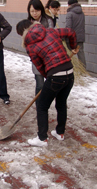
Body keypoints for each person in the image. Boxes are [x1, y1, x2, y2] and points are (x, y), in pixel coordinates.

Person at [16, 19, 77, 147]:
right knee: (61, 103)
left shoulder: (30, 46)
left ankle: (42, 138)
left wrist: (49, 76)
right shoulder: (50, 31)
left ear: (22, 34)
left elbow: (39, 67)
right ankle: (60, 133)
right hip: (69, 73)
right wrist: (73, 46)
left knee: (42, 106)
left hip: (55, 76)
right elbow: (70, 32)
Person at [27, 0, 54, 106]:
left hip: (49, 58)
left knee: (52, 83)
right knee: (40, 84)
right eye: (32, 11)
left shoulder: (48, 21)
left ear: (41, 10)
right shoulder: (28, 23)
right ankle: (40, 106)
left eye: (36, 11)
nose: (34, 13)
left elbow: (52, 37)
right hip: (36, 59)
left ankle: (50, 102)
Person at [66, 0, 86, 67]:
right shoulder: (82, 13)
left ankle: (72, 69)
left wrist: (66, 37)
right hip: (80, 37)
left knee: (70, 53)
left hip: (72, 38)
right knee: (81, 53)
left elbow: (68, 27)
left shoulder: (69, 14)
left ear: (69, 5)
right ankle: (83, 70)